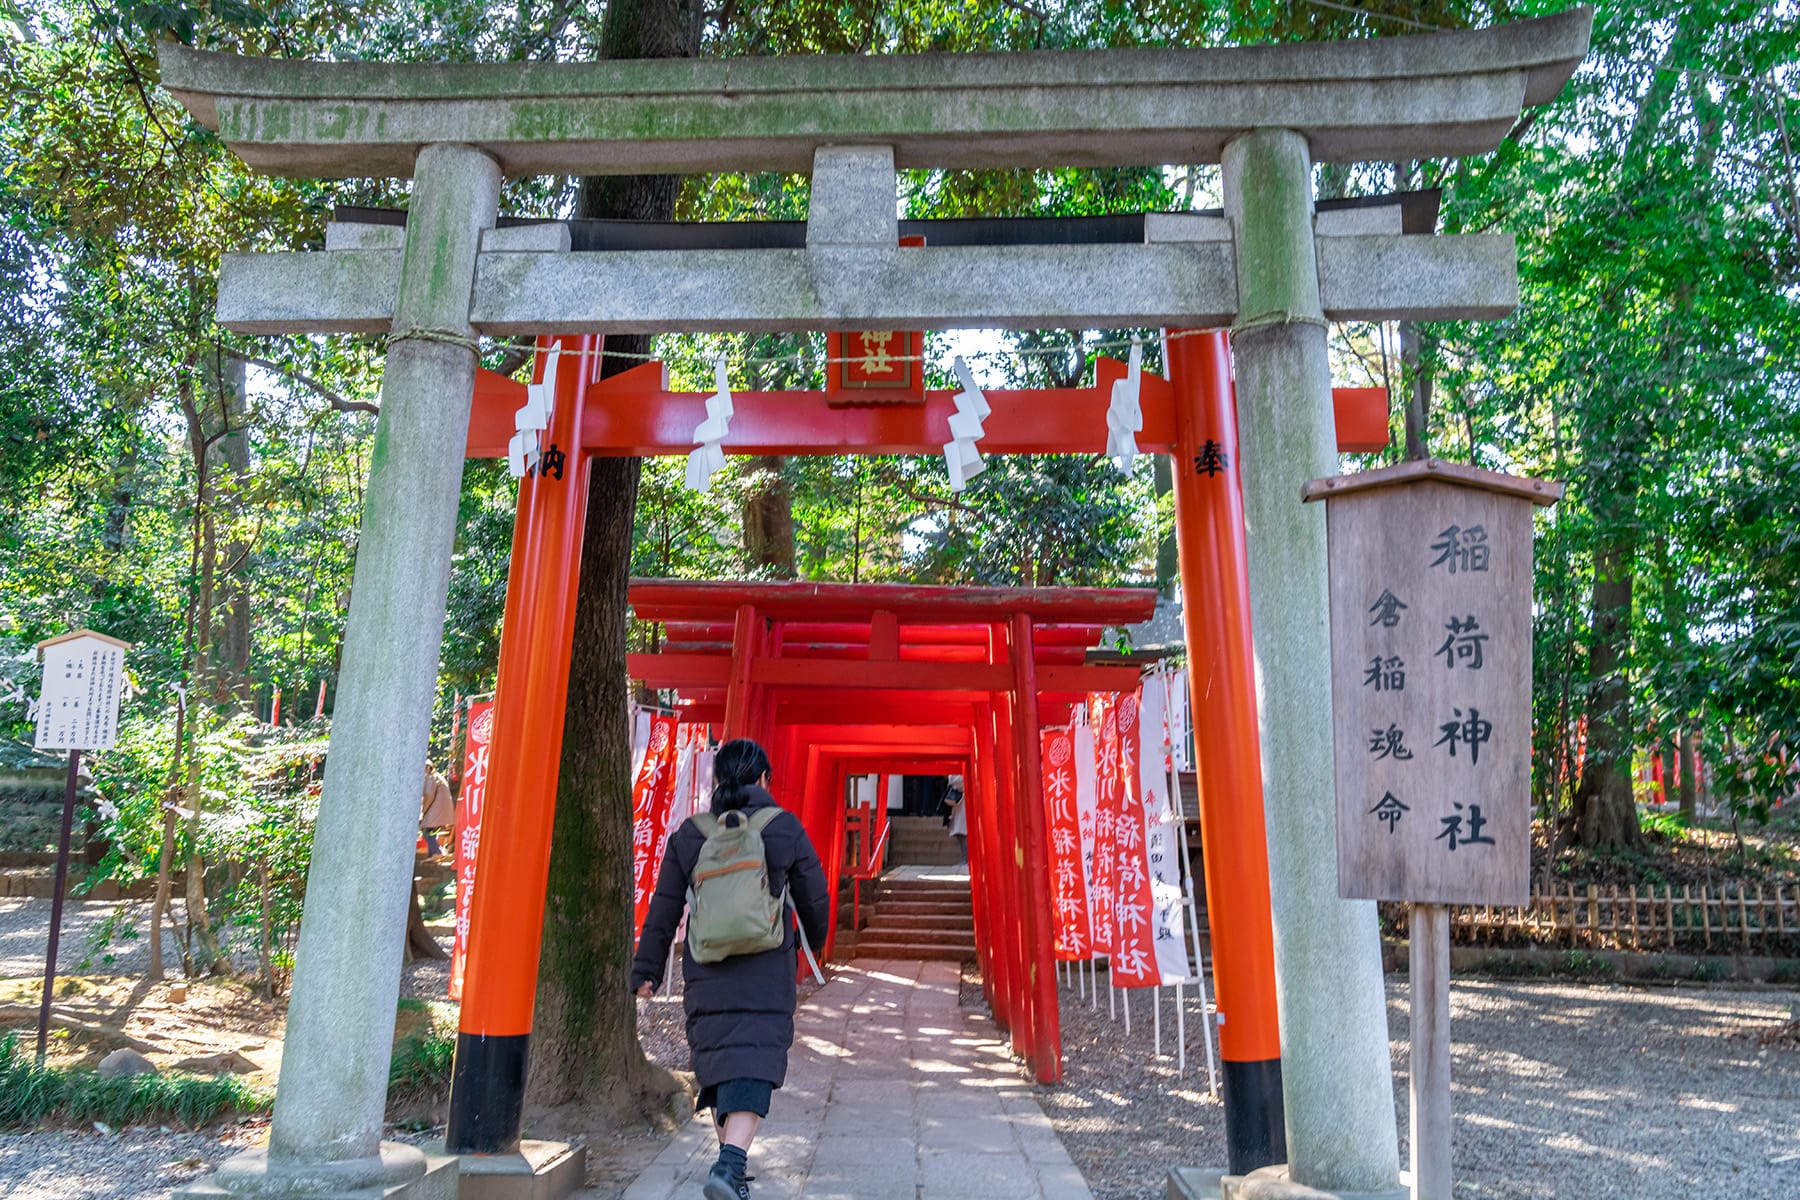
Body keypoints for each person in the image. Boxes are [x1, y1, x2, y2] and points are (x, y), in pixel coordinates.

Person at [631, 739, 830, 1200]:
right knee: (755, 1064)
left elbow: (665, 908)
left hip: (708, 968)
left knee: (721, 1065)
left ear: (718, 781)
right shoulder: (783, 828)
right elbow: (814, 895)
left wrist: (647, 971)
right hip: (765, 969)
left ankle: (730, 1173)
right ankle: (731, 1163)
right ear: (764, 779)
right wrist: (814, 945)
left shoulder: (691, 833)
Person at [419, 762, 453, 856]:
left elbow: (428, 796)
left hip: (435, 811)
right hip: (441, 811)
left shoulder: (430, 778)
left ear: (428, 768)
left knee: (426, 830)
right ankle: (432, 853)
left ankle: (436, 852)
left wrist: (422, 812)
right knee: (431, 832)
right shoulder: (437, 776)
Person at [943, 774, 967, 864]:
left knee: (963, 833)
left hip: (963, 802)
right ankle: (964, 857)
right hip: (958, 803)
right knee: (960, 833)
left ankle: (966, 858)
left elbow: (957, 780)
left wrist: (950, 779)